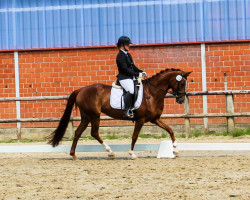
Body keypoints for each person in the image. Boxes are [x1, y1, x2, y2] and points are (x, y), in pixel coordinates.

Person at [116, 36, 147, 118]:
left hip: (130, 77)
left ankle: (133, 108)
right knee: (132, 90)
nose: (129, 46)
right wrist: (137, 74)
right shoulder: (120, 56)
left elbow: (133, 67)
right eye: (127, 44)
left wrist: (141, 71)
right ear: (122, 45)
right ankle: (126, 110)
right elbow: (125, 69)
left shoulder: (128, 55)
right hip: (124, 78)